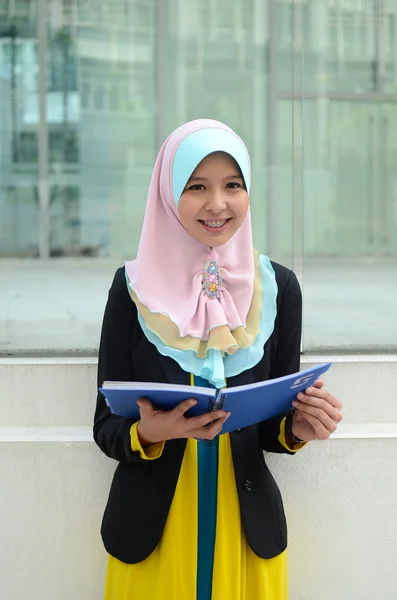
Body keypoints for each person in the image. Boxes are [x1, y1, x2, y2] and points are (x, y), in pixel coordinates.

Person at [94, 118, 343, 600]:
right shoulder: (130, 290)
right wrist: (150, 433)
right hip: (154, 532)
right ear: (168, 194)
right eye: (196, 187)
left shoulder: (279, 288)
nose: (217, 204)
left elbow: (272, 426)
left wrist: (299, 430)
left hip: (245, 530)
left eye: (233, 186)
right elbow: (106, 426)